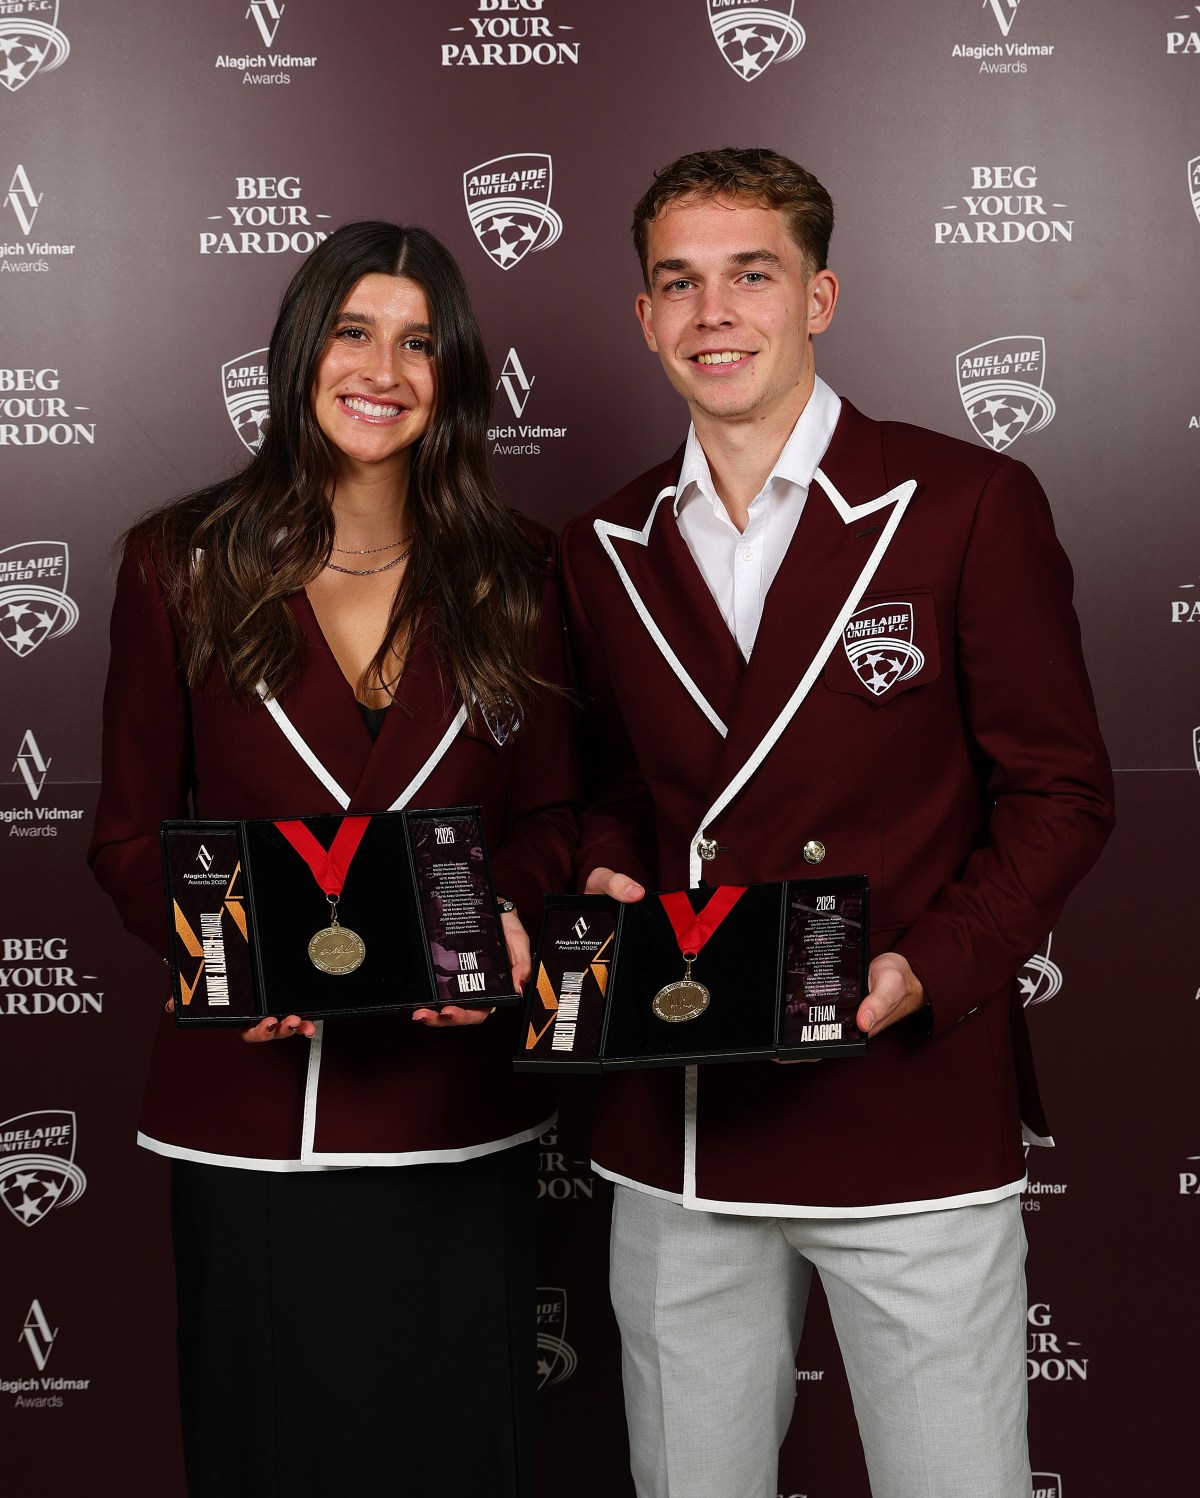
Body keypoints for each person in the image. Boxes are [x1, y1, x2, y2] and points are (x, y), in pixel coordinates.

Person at [560, 149, 1114, 1498]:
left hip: (904, 1099)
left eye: (751, 275)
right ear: (643, 316)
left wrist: (929, 964)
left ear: (818, 297)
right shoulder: (603, 542)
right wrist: (608, 874)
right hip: (684, 1123)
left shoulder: (964, 502)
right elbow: (616, 791)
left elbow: (1059, 790)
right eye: (679, 282)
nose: (714, 314)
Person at [88, 220, 577, 1498]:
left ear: (453, 375)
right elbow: (129, 833)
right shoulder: (181, 563)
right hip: (256, 1115)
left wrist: (510, 916)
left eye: (420, 343)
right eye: (355, 332)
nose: (383, 370)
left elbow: (554, 817)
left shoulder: (524, 572)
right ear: (302, 349)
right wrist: (226, 954)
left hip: (454, 1108)